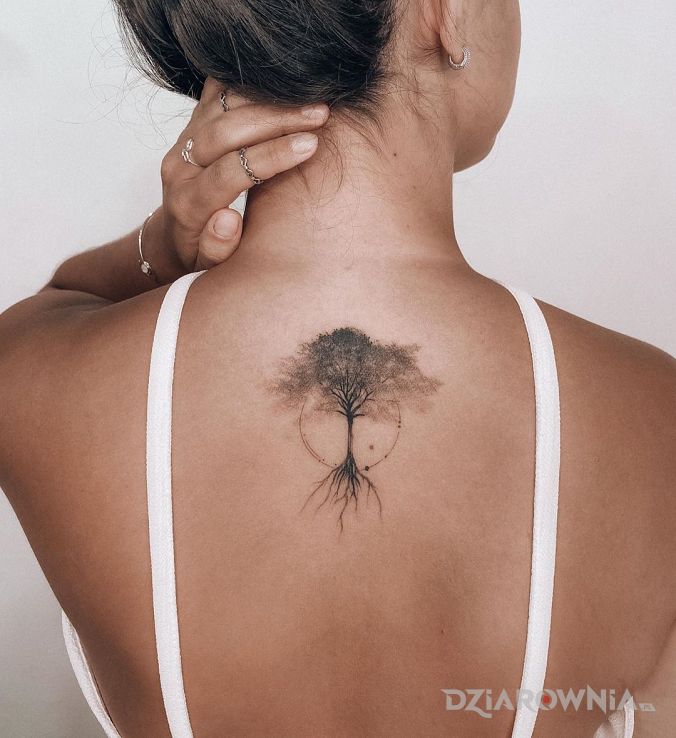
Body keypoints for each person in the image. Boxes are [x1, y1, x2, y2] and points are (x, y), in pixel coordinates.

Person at [0, 0, 674, 736]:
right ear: (445, 12)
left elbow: (59, 304)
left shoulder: (36, 383)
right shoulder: (654, 421)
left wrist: (160, 247)